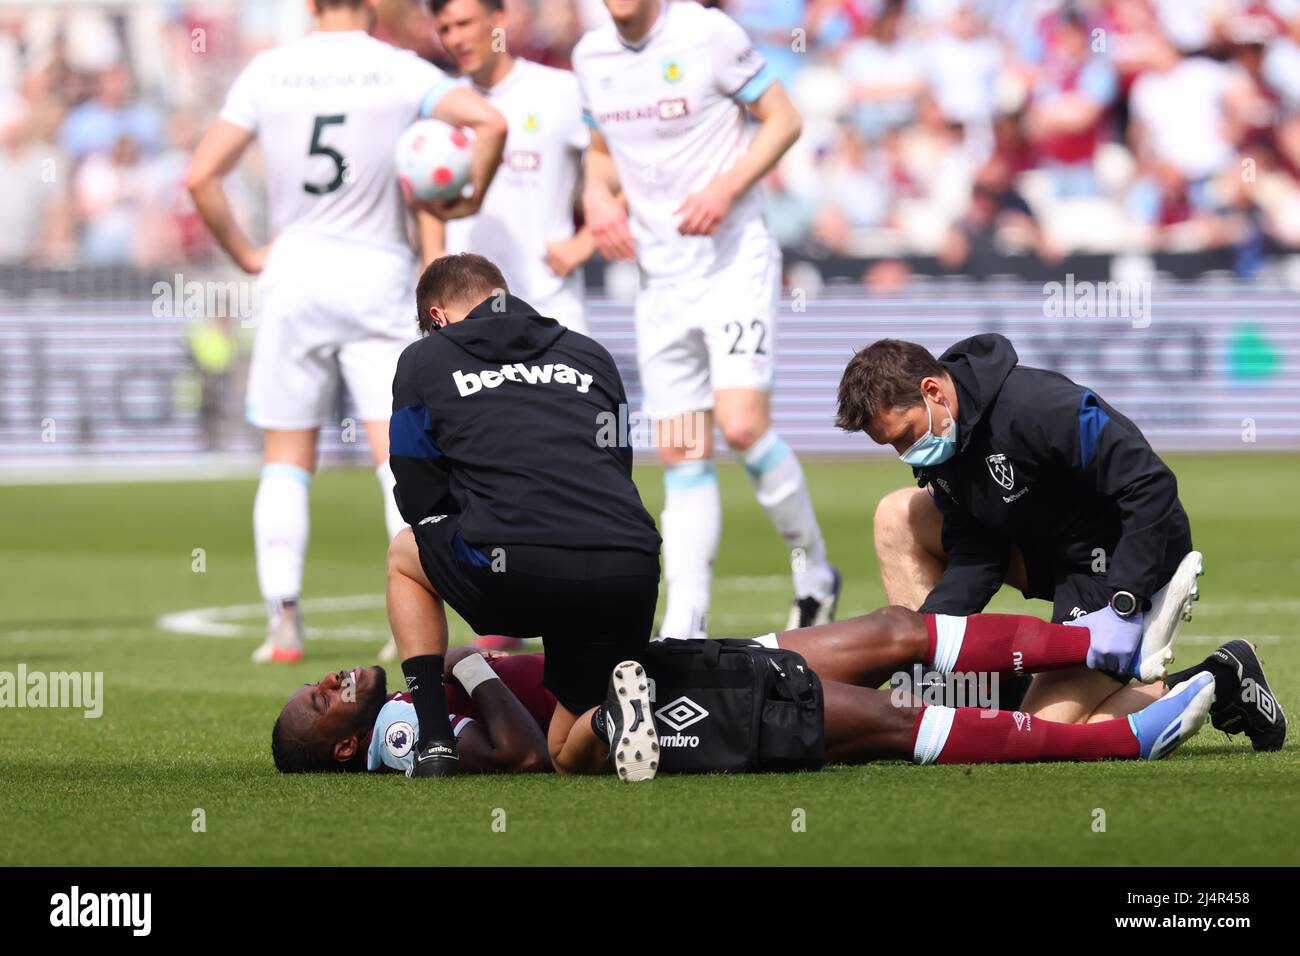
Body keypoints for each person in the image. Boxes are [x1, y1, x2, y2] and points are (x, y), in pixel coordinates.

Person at [185, 0, 508, 664]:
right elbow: (489, 119)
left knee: (285, 456)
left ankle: (282, 621)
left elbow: (200, 177)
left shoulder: (269, 70)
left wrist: (247, 255)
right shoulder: (397, 69)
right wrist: (468, 195)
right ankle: (411, 612)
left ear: (310, 5)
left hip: (295, 272)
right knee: (398, 456)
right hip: (377, 274)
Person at [839, 334, 1286, 751]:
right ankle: (961, 687)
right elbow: (977, 551)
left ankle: (1222, 676)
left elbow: (1150, 485)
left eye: (905, 436)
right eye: (891, 446)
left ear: (933, 391)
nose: (904, 453)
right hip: (1047, 552)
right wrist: (927, 642)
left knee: (1036, 734)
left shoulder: (1039, 406)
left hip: (1122, 563)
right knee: (897, 515)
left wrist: (1125, 601)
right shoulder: (946, 439)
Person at [574, 0, 839, 639]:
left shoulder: (707, 34)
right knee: (682, 451)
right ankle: (686, 621)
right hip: (658, 278)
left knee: (743, 427)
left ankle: (814, 573)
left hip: (731, 263)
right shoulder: (591, 56)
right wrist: (594, 195)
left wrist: (726, 186)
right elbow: (602, 151)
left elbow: (783, 119)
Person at [270, 605, 1218, 776]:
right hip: (666, 716)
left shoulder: (408, 695)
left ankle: (1110, 645)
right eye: (320, 703)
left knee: (892, 632)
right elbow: (519, 750)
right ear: (354, 745)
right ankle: (1120, 741)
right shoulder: (408, 737)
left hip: (670, 660)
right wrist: (472, 664)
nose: (326, 683)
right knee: (894, 721)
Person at [385, 252, 661, 777]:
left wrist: (471, 524)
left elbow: (418, 490)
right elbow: (616, 462)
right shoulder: (591, 354)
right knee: (563, 755)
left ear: (437, 316)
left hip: (515, 567)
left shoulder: (423, 361)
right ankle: (610, 718)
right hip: (627, 566)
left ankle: (437, 741)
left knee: (404, 553)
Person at [422, 0, 595, 335]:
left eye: (465, 24)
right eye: (445, 29)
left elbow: (620, 164)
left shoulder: (561, 92)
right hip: (466, 313)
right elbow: (426, 196)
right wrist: (433, 256)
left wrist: (585, 243)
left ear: (499, 19)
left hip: (549, 305)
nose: (456, 39)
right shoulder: (443, 105)